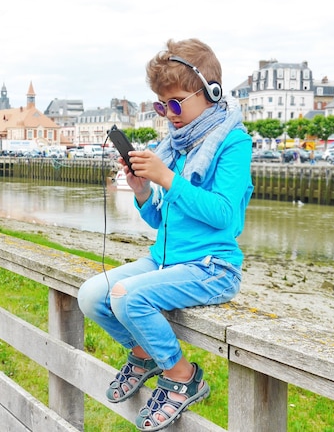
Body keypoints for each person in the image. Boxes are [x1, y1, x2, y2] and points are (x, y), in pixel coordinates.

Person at [77, 38, 253, 431]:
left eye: (175, 103)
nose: (168, 114)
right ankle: (144, 354)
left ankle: (182, 376)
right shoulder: (178, 146)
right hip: (166, 259)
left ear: (211, 93)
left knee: (127, 296)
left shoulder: (233, 143)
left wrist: (168, 179)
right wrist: (143, 191)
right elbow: (162, 223)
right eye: (161, 105)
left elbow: (224, 215)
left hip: (212, 267)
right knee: (91, 295)